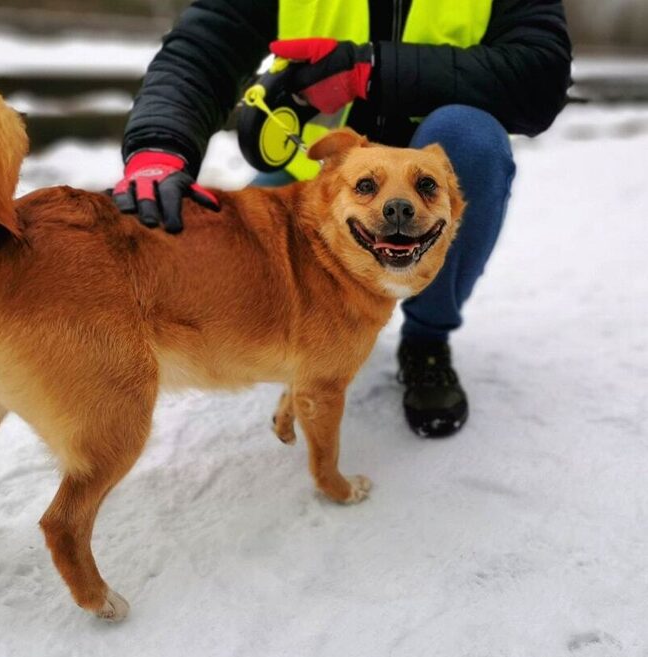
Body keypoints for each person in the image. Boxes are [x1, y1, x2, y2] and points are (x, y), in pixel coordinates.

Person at [112, 0, 572, 438]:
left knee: (472, 139)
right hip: (315, 180)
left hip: (431, 168)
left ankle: (427, 340)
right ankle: (307, 337)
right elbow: (206, 45)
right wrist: (160, 144)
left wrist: (370, 70)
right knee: (231, 262)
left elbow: (540, 74)